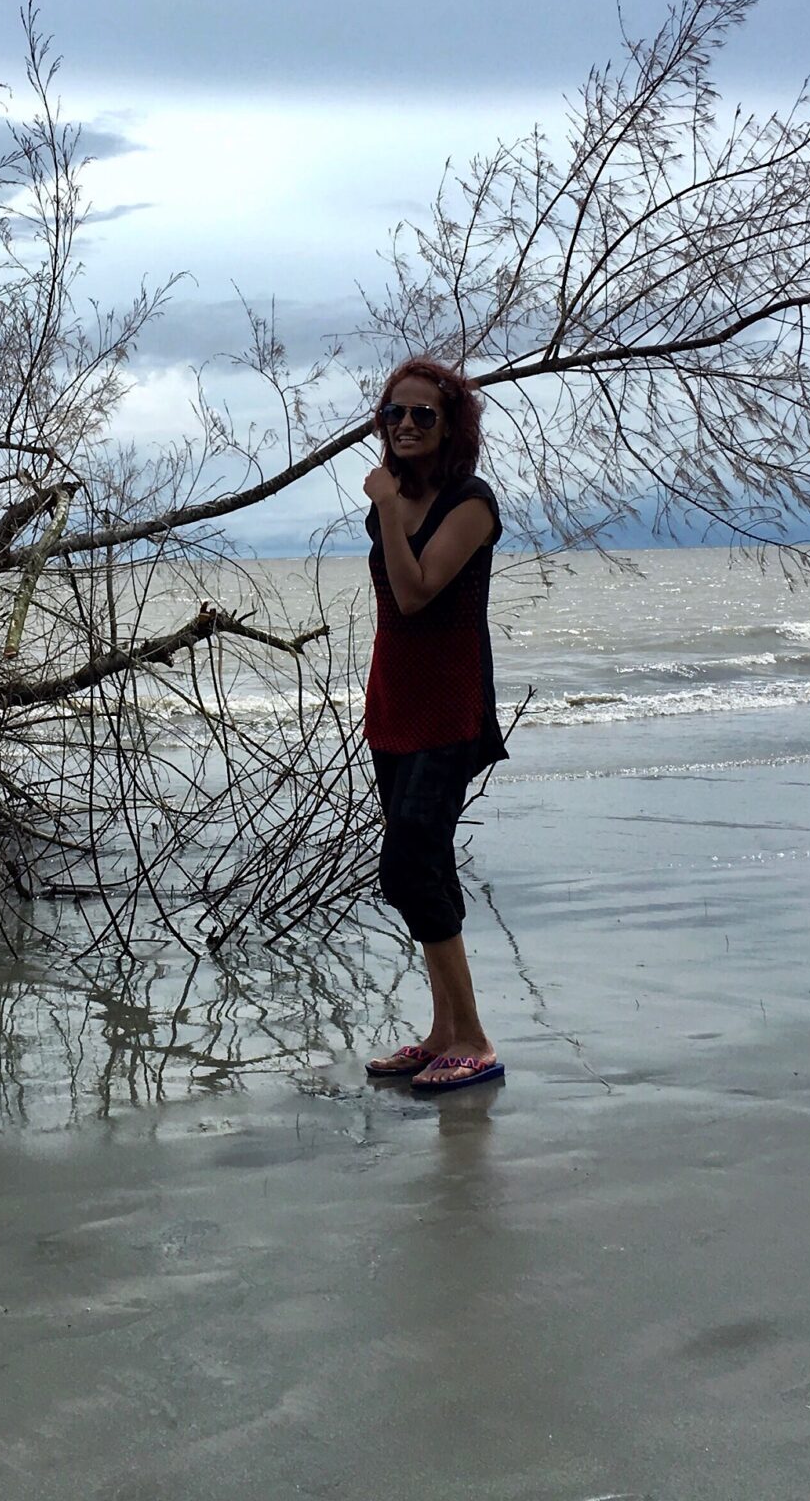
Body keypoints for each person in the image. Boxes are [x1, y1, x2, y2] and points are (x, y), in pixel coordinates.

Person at [358, 356, 510, 1094]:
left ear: (450, 426)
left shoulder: (471, 504)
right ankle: (442, 1034)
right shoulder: (385, 503)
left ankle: (474, 1038)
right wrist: (387, 506)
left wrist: (388, 506)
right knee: (431, 867)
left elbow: (416, 594)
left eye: (424, 414)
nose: (409, 425)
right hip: (394, 707)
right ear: (380, 424)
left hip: (453, 711)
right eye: (396, 413)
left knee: (409, 864)